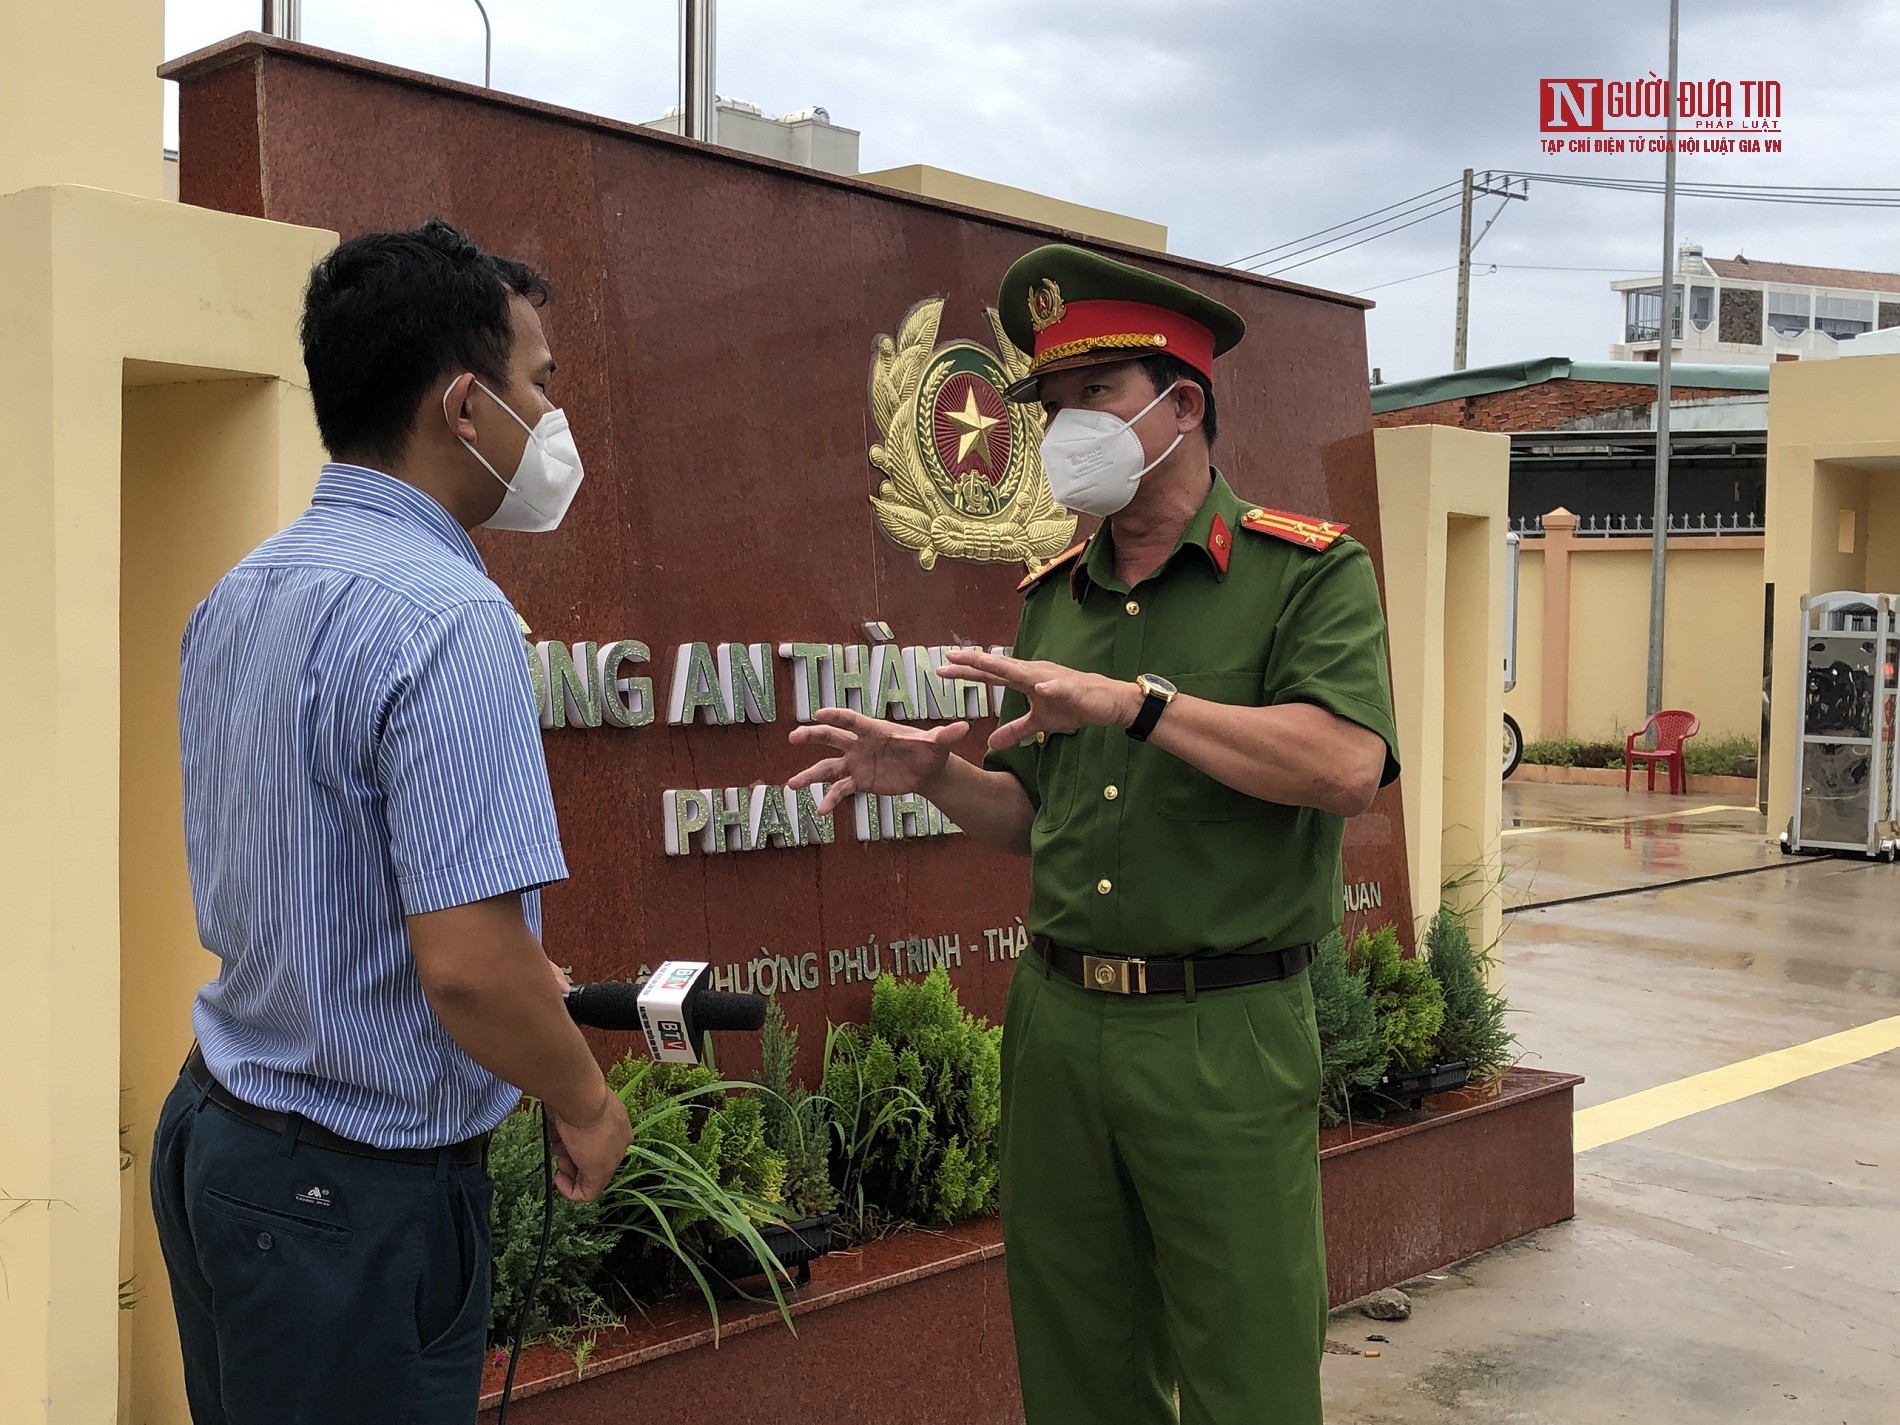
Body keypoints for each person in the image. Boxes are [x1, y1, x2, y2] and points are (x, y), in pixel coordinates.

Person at [789, 243, 1398, 1424]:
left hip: (1222, 1029)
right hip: (1060, 1026)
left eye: (1097, 396)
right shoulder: (1051, 597)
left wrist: (1140, 703)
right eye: (1055, 406)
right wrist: (930, 778)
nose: (1068, 427)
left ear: (1183, 404)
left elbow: (1343, 769)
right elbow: (1039, 817)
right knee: (1077, 1361)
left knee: (1248, 1369)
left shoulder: (1301, 573)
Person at [150, 219, 633, 1425]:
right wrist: (584, 1100)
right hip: (348, 1202)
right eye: (537, 385)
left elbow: (323, 880)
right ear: (465, 406)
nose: (550, 418)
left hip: (225, 1137)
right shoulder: (447, 616)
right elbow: (467, 966)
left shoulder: (240, 590)